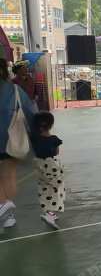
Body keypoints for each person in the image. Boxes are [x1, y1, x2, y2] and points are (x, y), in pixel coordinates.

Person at [0, 58, 39, 229]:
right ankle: (8, 216)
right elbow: (30, 113)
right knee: (8, 176)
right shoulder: (15, 89)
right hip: (12, 139)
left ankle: (2, 205)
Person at [30, 112, 66, 230]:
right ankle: (50, 214)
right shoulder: (54, 139)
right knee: (56, 189)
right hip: (52, 165)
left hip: (40, 165)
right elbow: (56, 152)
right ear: (50, 125)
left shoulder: (33, 137)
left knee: (44, 188)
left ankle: (48, 212)